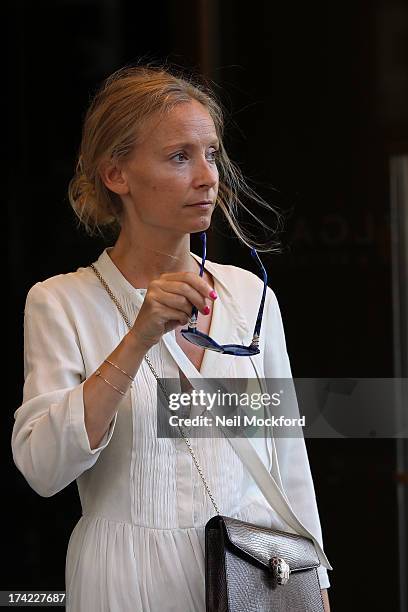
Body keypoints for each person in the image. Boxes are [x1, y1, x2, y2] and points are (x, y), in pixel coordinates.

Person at [12, 63, 332, 611]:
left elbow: (287, 460)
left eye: (211, 154)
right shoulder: (61, 301)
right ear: (117, 174)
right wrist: (137, 338)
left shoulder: (249, 297)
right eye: (180, 156)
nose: (208, 177)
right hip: (124, 581)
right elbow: (43, 468)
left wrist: (316, 586)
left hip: (252, 578)